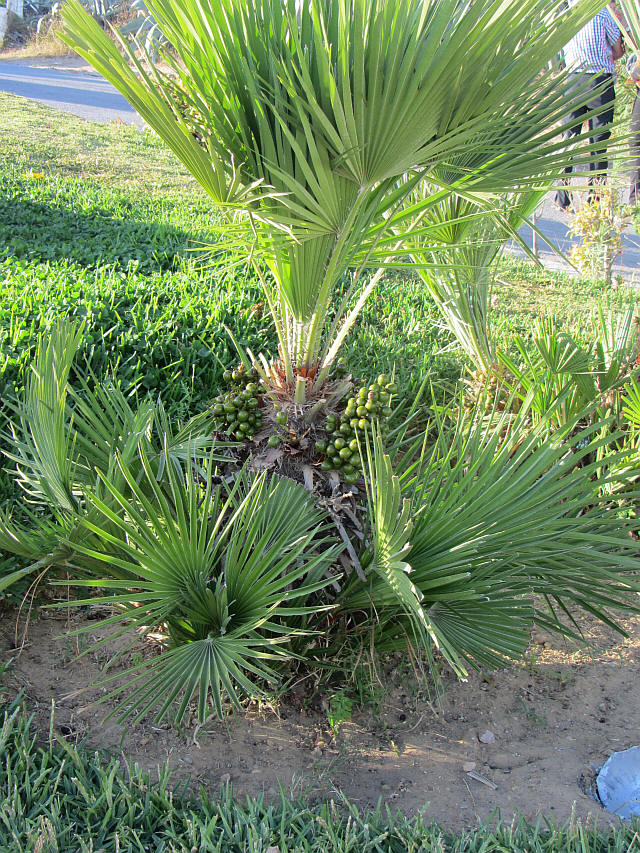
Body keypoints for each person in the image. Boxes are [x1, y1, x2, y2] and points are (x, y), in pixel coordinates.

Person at [555, 2, 624, 212]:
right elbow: (618, 50)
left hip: (573, 81)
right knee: (599, 142)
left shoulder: (568, 13)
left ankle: (562, 197)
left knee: (569, 139)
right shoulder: (602, 13)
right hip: (599, 82)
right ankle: (594, 199)